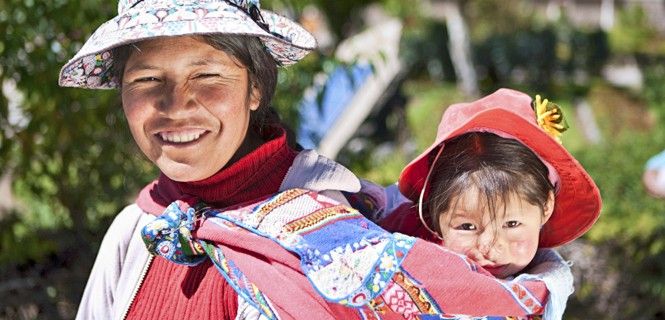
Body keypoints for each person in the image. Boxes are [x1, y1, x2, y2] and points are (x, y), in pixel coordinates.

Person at [59, 1, 563, 318]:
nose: (175, 105)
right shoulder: (137, 230)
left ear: (256, 86)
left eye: (207, 76)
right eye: (147, 81)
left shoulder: (334, 229)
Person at [381, 88, 602, 319]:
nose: (489, 246)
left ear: (546, 207)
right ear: (433, 218)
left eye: (512, 223)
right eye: (467, 226)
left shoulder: (544, 293)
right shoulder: (404, 266)